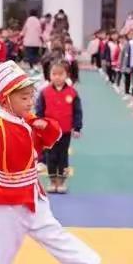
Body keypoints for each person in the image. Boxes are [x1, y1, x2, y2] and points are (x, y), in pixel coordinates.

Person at [0, 60, 119, 264]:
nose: (30, 102)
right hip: (8, 199)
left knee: (54, 233)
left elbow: (52, 137)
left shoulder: (28, 120)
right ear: (5, 101)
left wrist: (41, 124)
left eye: (31, 96)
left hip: (32, 192)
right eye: (24, 98)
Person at [36, 60, 82, 193]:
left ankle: (61, 182)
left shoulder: (72, 93)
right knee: (51, 156)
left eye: (60, 74)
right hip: (49, 132)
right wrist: (39, 124)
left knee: (63, 156)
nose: (57, 77)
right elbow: (39, 110)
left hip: (65, 131)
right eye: (54, 74)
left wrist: (77, 127)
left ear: (66, 75)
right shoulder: (44, 92)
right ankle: (52, 181)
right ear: (49, 75)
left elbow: (77, 111)